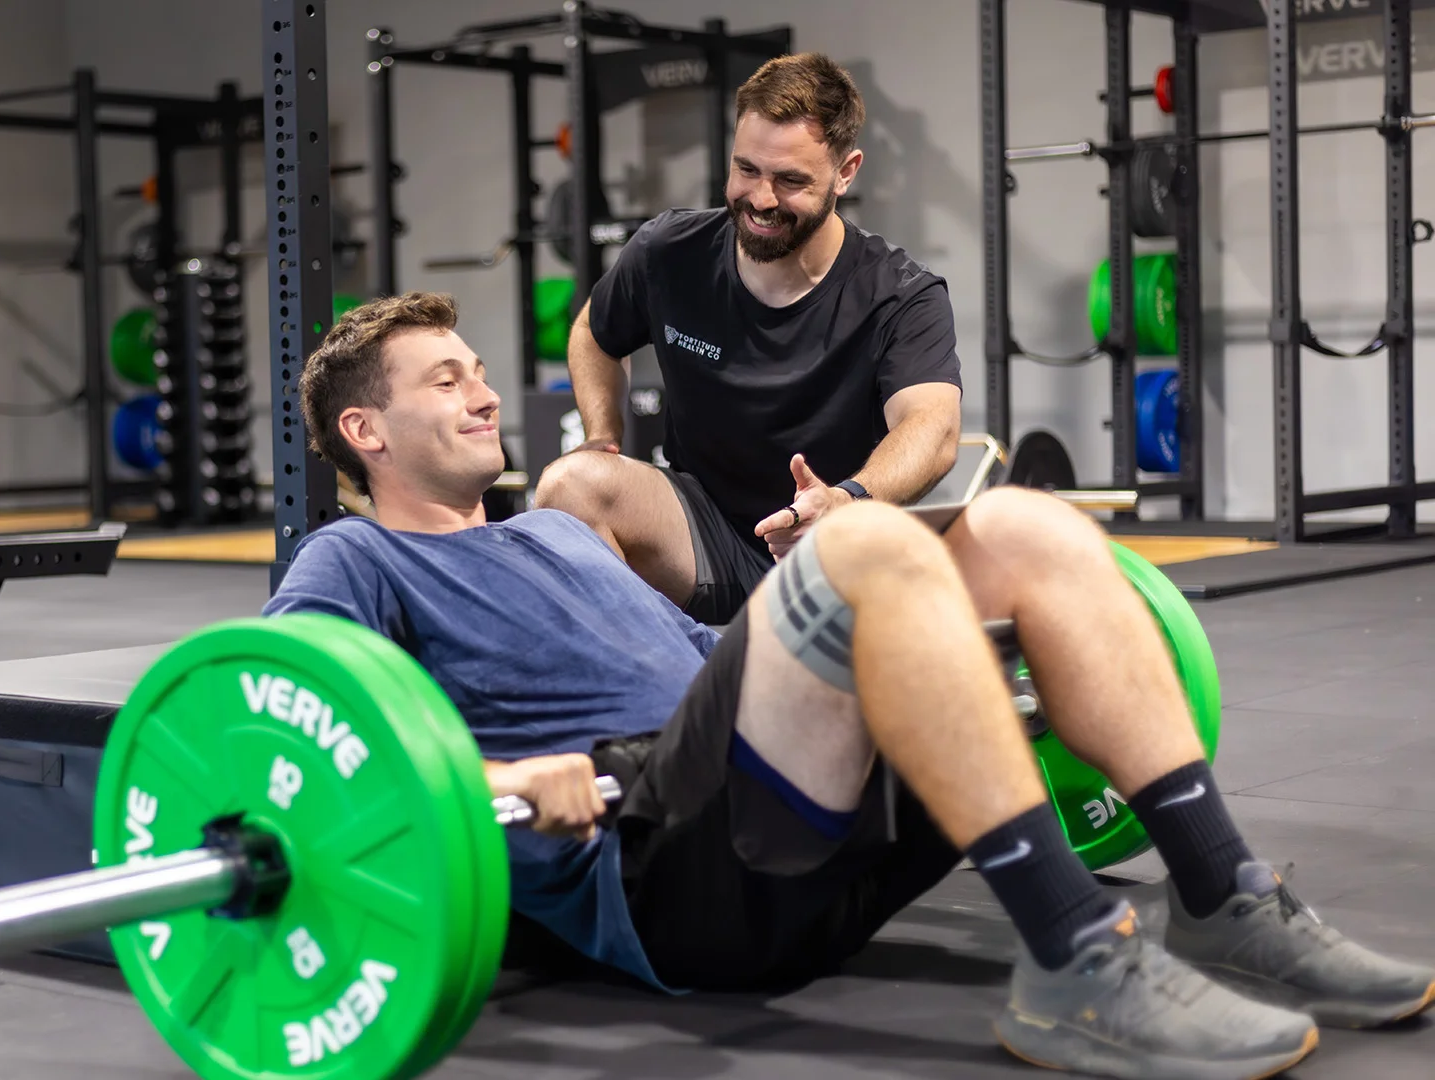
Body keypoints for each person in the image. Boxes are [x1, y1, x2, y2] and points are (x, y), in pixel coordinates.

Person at [262, 292, 1434, 1080]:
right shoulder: (354, 560)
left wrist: (841, 624)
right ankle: (1076, 956)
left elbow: (697, 659)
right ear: (366, 429)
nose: (482, 394)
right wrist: (508, 779)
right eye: (446, 381)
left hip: (784, 814)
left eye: (477, 373)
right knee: (864, 545)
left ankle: (1223, 893)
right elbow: (294, 746)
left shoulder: (556, 533)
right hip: (662, 868)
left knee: (1023, 526)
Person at [536, 53, 962, 626]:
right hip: (700, 531)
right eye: (747, 170)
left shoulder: (901, 293)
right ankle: (652, 670)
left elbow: (933, 429)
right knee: (570, 485)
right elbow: (594, 332)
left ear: (846, 171)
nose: (761, 199)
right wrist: (601, 433)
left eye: (790, 180)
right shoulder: (669, 252)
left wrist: (846, 500)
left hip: (829, 548)